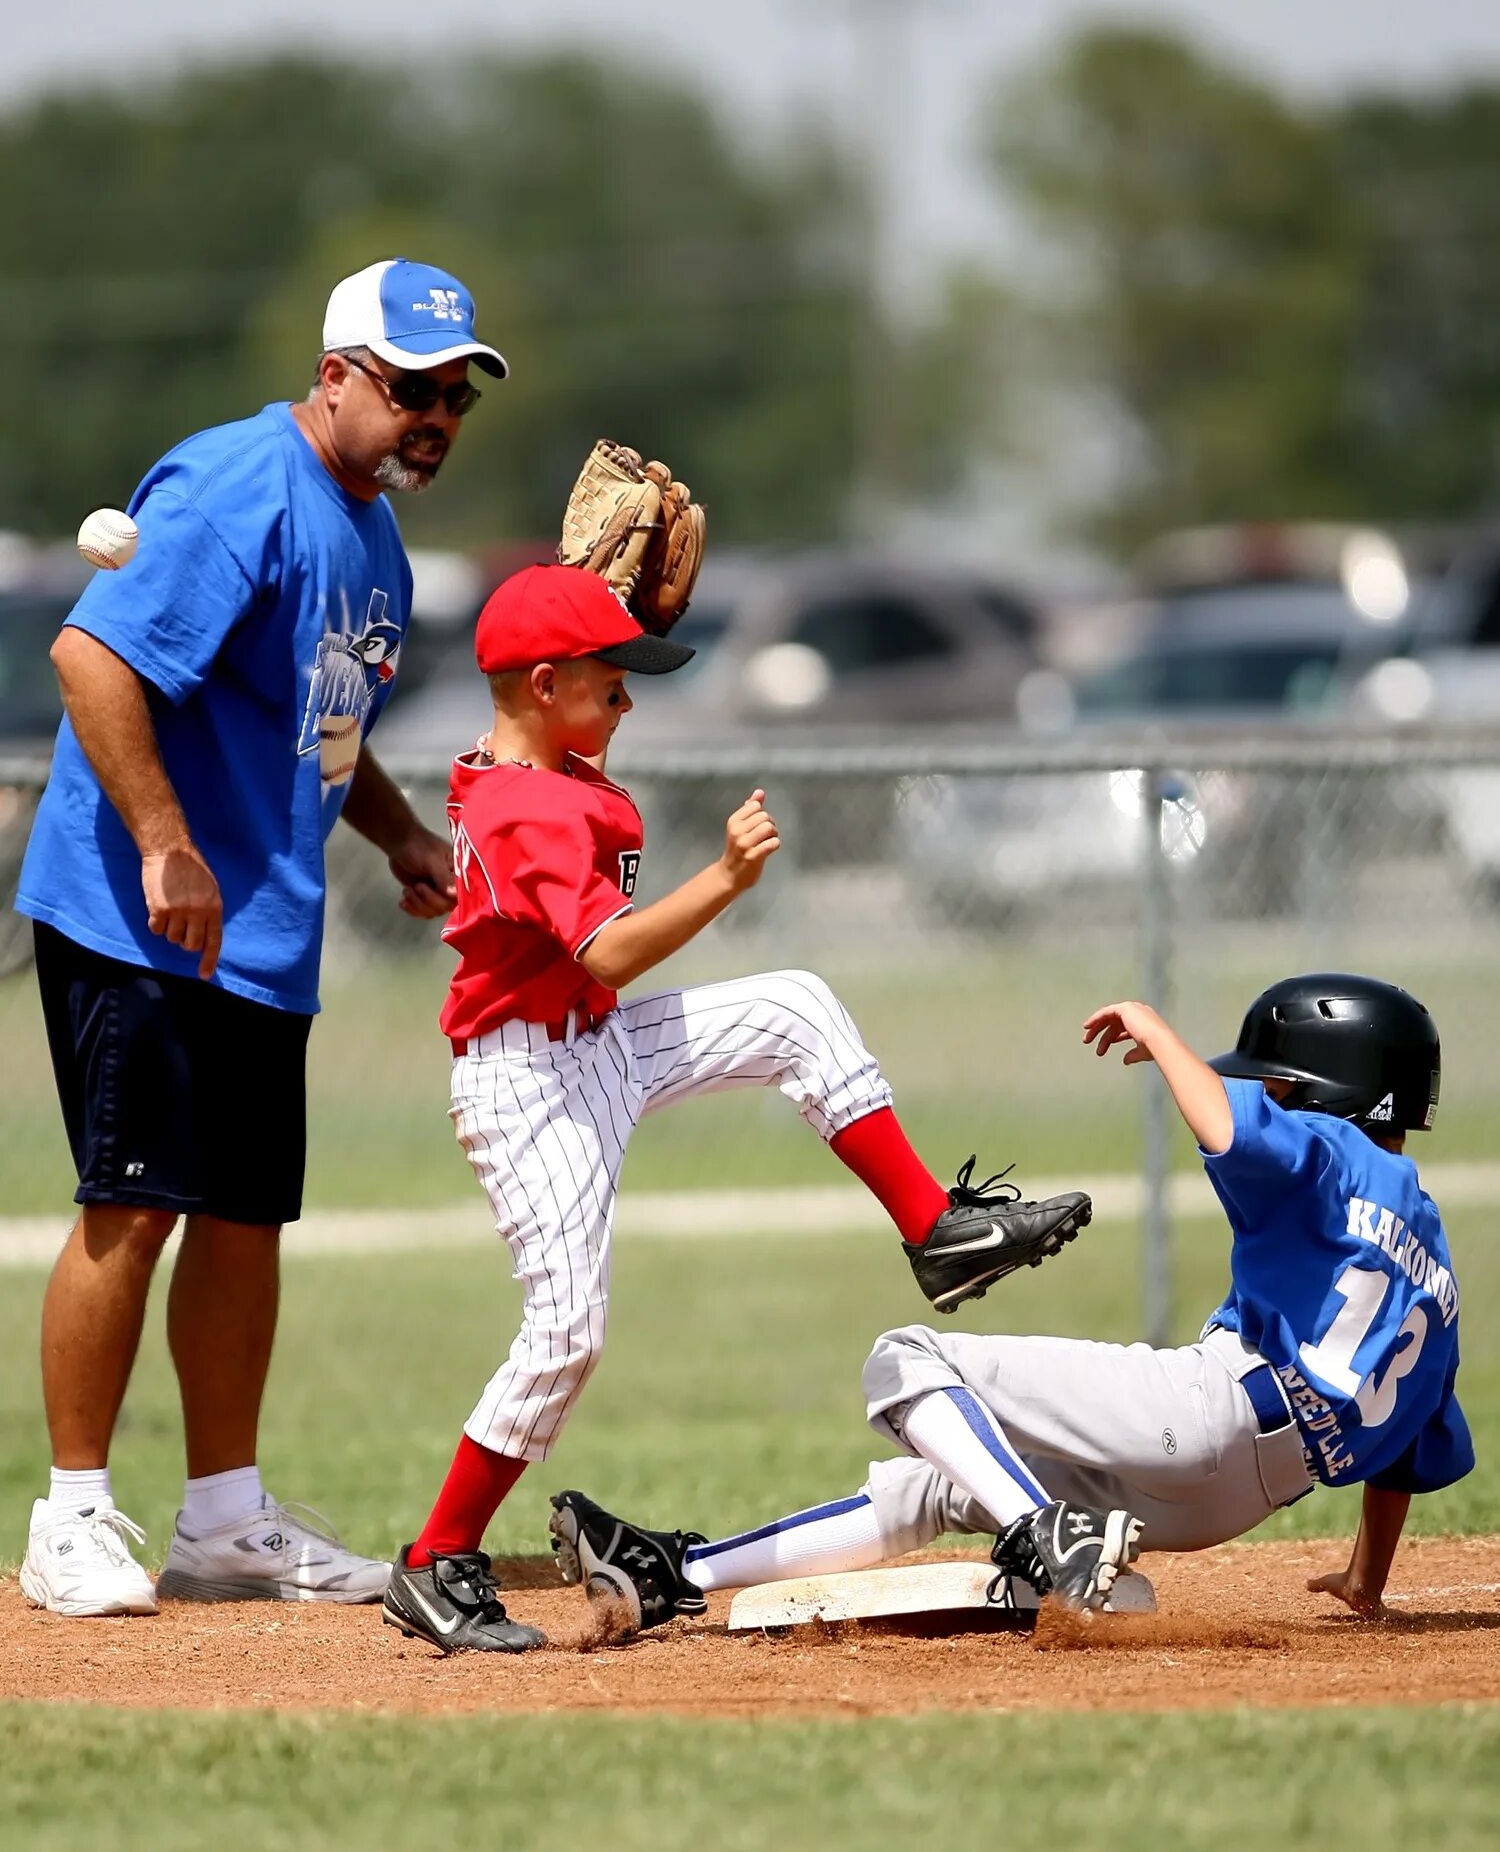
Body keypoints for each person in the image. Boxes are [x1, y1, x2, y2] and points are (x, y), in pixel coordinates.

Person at [378, 563, 1093, 1654]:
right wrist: (723, 878)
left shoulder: (531, 764)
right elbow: (609, 947)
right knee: (566, 1334)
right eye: (608, 683)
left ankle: (935, 1232)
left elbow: (559, 749)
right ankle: (435, 1559)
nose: (626, 702)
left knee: (795, 1009)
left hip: (593, 1044)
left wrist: (604, 616)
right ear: (540, 684)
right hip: (528, 1087)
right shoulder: (525, 804)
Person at [15, 258, 508, 1618]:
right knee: (135, 1200)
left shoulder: (376, 539)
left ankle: (225, 1520)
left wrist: (400, 832)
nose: (433, 417)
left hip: (259, 930)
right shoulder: (244, 483)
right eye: (410, 387)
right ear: (336, 374)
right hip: (140, 913)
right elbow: (93, 660)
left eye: (453, 398)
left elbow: (322, 724)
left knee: (242, 1220)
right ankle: (70, 1514)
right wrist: (165, 839)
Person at [548, 972, 1473, 1628]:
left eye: (1278, 1081)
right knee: (945, 1482)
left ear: (1329, 1092)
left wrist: (1158, 1035)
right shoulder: (1431, 1258)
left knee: (909, 1358)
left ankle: (1045, 1536)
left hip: (1216, 1409)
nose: (1264, 1093)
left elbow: (1235, 1132)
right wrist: (1366, 1578)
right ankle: (677, 1574)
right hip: (1244, 1496)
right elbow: (1413, 1454)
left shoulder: (1331, 1151)